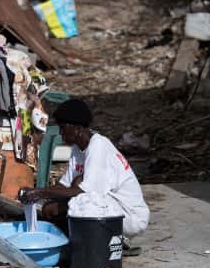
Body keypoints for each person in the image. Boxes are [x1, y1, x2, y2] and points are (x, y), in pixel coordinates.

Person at [19, 99, 149, 239]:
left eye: (63, 128)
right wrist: (38, 196)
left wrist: (41, 193)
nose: (61, 133)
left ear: (78, 129)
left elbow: (86, 191)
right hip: (109, 207)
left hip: (130, 216)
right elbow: (63, 185)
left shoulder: (98, 147)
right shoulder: (77, 149)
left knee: (75, 197)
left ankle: (107, 241)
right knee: (54, 206)